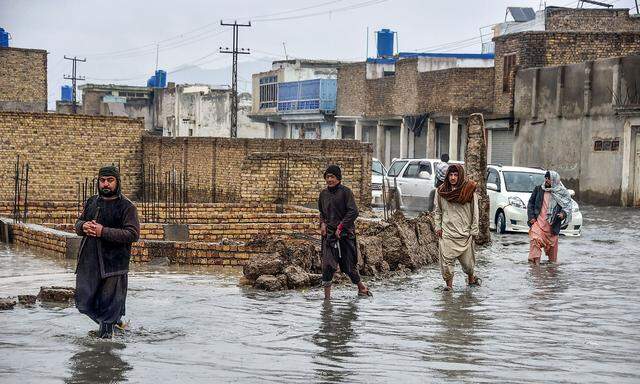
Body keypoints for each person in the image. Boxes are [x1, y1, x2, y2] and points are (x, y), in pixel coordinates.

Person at [74, 166, 140, 338]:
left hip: (113, 265)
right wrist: (83, 226)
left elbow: (132, 234)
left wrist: (103, 231)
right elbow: (79, 222)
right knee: (83, 303)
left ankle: (105, 349)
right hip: (89, 262)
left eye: (110, 181)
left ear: (117, 182)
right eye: (102, 180)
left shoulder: (127, 207)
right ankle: (116, 324)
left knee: (108, 308)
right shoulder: (92, 201)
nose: (106, 184)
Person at [318, 165, 371, 300]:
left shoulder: (346, 192)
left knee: (348, 266)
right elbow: (322, 213)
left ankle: (361, 288)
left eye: (332, 177)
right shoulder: (323, 194)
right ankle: (327, 300)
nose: (329, 180)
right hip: (329, 236)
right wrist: (323, 224)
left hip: (345, 235)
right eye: (327, 177)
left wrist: (341, 227)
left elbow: (353, 211)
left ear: (339, 179)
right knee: (328, 265)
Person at [434, 164, 480, 291]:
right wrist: (438, 226)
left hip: (464, 234)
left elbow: (475, 211)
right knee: (447, 264)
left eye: (455, 175)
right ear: (447, 176)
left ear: (460, 176)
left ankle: (471, 280)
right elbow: (438, 211)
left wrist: (474, 230)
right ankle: (449, 287)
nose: (453, 178)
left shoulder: (469, 190)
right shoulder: (441, 191)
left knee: (468, 265)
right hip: (447, 233)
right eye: (450, 175)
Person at [527, 170, 572, 265]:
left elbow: (568, 206)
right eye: (546, 178)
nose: (546, 180)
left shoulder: (562, 193)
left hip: (552, 226)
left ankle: (550, 275)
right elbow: (531, 203)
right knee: (535, 241)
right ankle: (535, 270)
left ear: (555, 180)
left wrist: (563, 213)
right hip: (538, 224)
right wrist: (531, 217)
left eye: (549, 179)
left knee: (552, 262)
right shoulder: (539, 189)